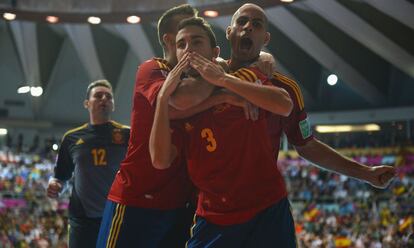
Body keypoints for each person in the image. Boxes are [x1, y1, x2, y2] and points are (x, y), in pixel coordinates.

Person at [150, 4, 396, 247]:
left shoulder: (283, 87)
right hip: (214, 214)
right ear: (229, 32)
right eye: (242, 22)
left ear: (265, 38)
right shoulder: (201, 83)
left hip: (267, 210)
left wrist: (365, 173)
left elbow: (306, 145)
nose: (248, 28)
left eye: (256, 25)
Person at [46, 79, 130, 248]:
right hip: (82, 219)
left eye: (108, 97)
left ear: (113, 105)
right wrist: (54, 184)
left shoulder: (127, 134)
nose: (104, 99)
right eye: (98, 96)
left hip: (116, 216)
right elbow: (61, 175)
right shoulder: (71, 138)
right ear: (87, 103)